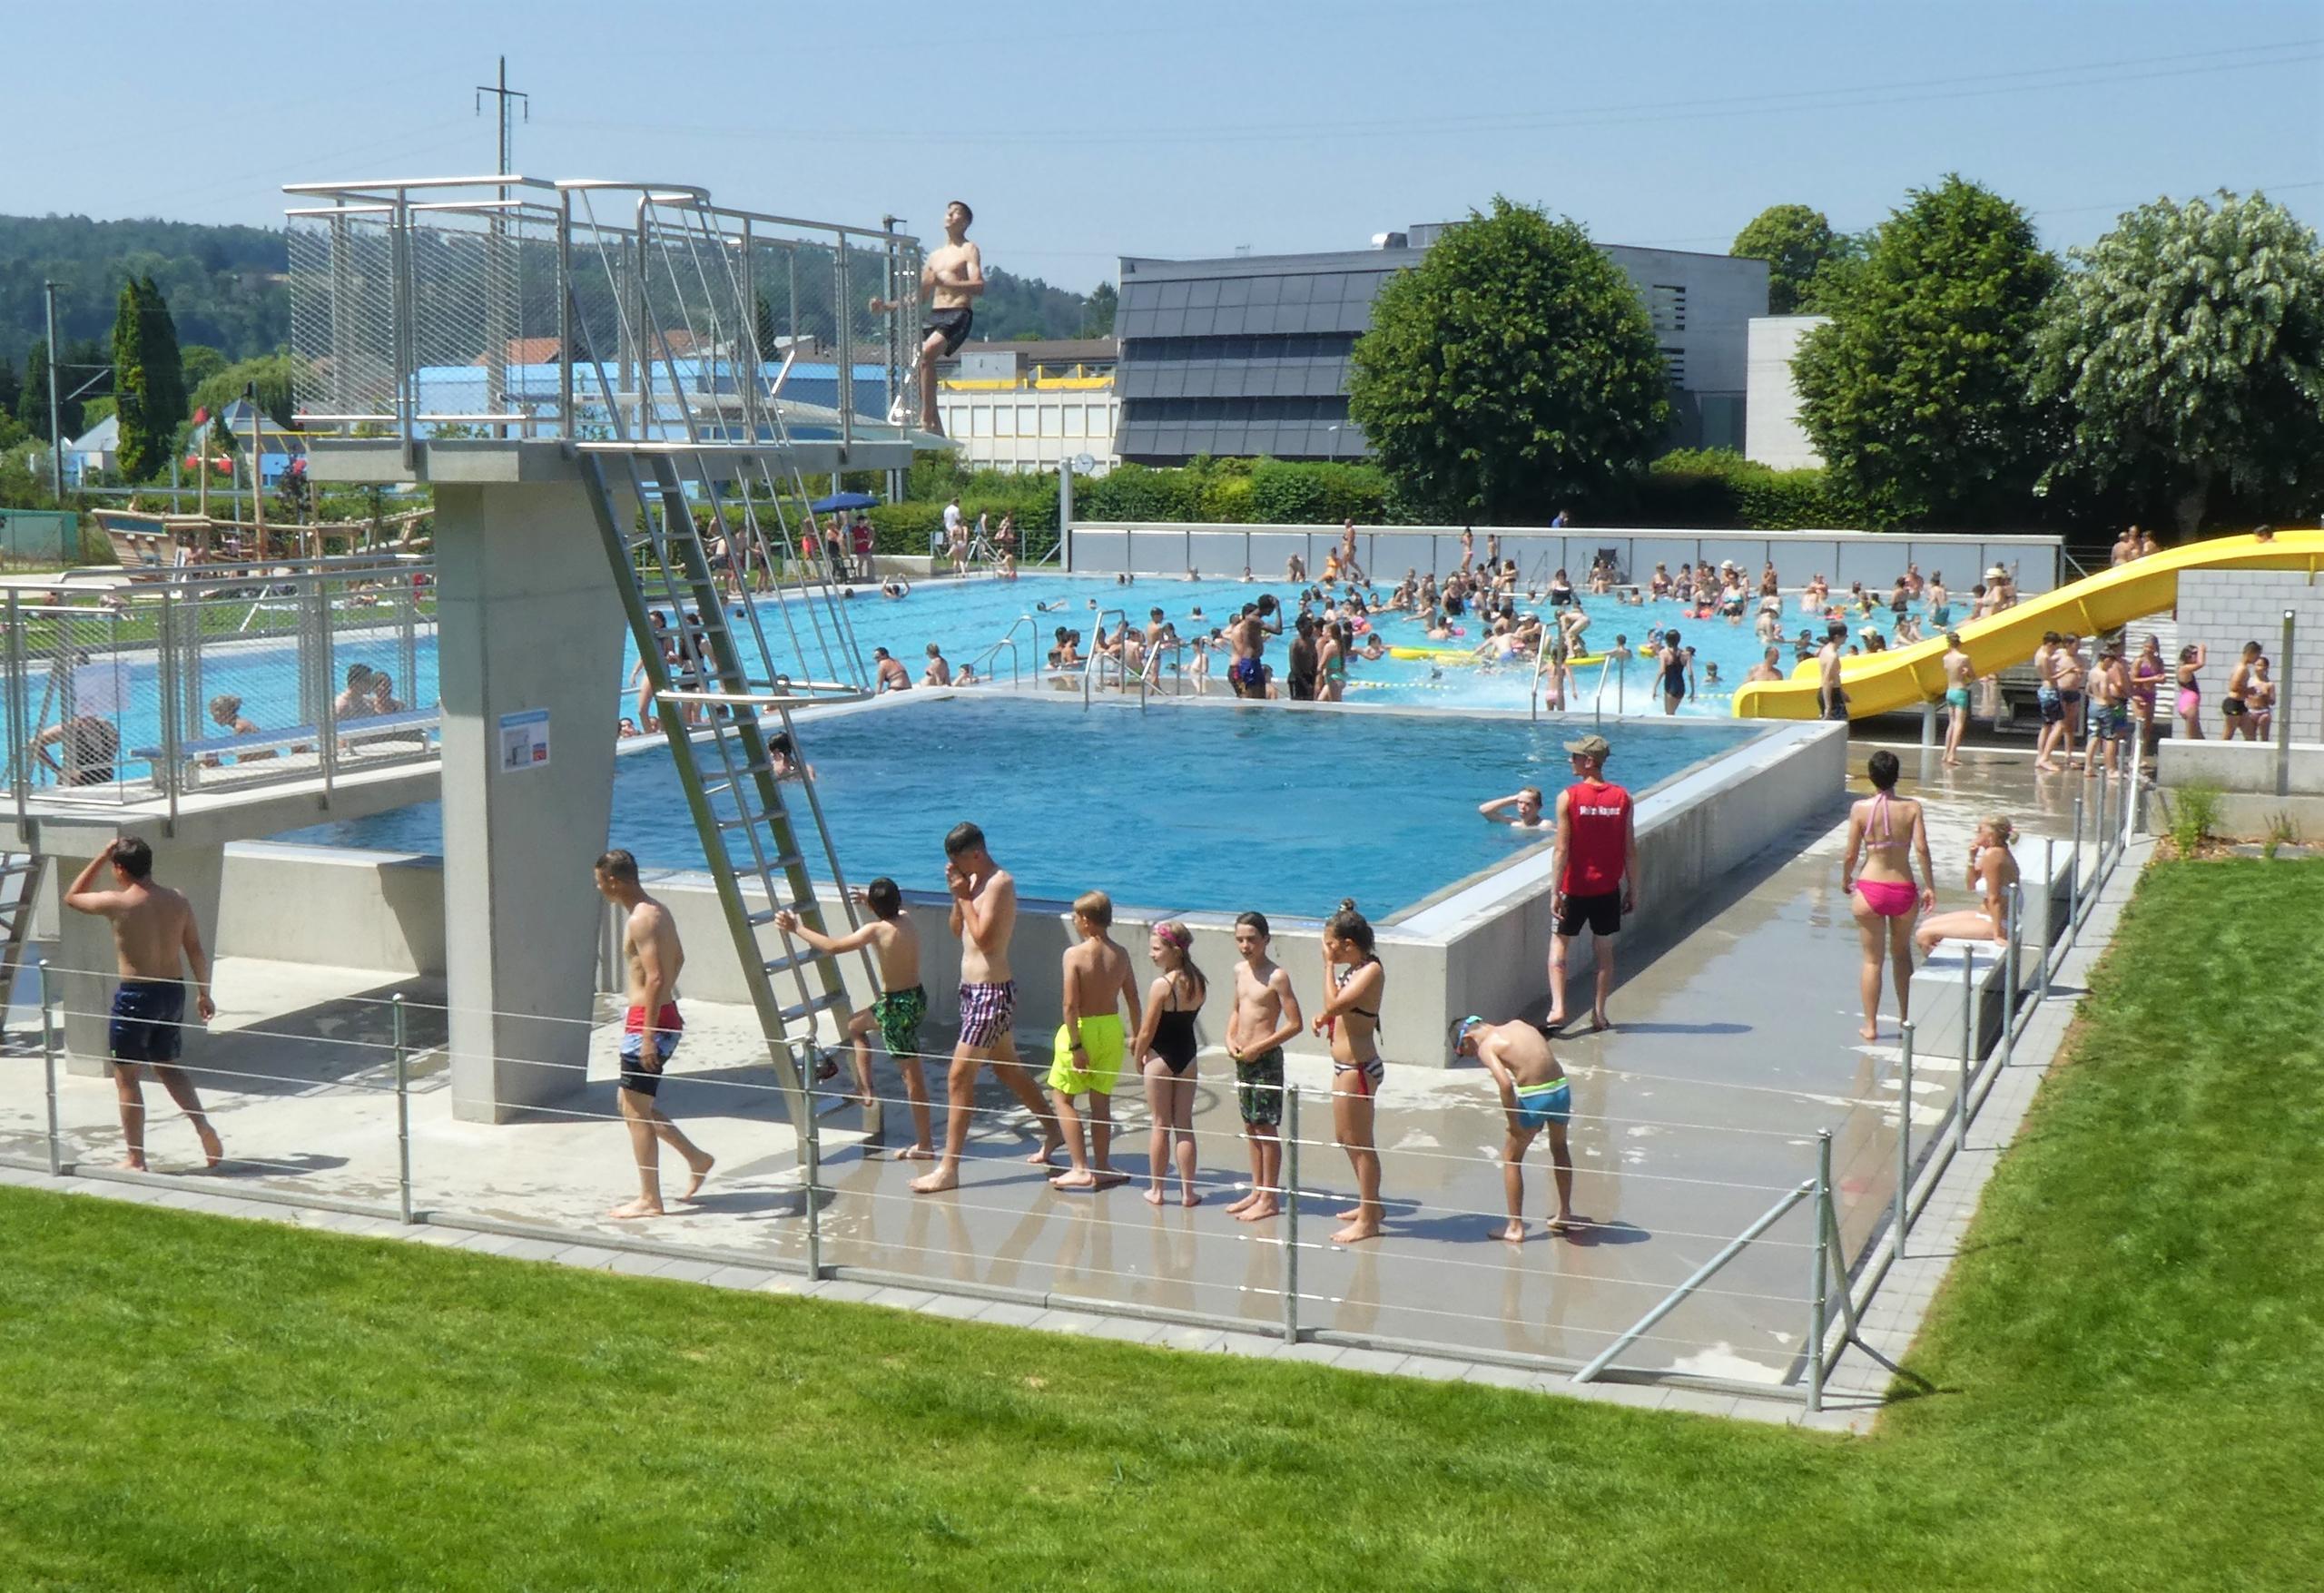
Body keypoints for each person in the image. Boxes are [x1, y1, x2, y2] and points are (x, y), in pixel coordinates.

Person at [910, 823, 1063, 1193]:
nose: (958, 869)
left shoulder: (999, 884)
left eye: (959, 862)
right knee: (1008, 1069)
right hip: (972, 990)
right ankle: (1055, 1130)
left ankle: (949, 1168)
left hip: (991, 993)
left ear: (975, 854)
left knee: (958, 1077)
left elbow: (987, 941)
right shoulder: (974, 883)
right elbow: (956, 930)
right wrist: (957, 895)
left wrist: (965, 895)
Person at [63, 839, 221, 1172]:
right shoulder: (177, 899)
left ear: (119, 869)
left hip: (136, 996)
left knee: (127, 1079)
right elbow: (195, 949)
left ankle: (136, 1157)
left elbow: (72, 896)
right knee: (167, 1066)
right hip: (172, 992)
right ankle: (202, 1126)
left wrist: (101, 855)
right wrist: (203, 993)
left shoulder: (119, 903)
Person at [774, 877, 934, 1159]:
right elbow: (896, 907)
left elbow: (833, 947)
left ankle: (925, 1144)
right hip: (915, 998)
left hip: (896, 1007)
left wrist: (796, 927)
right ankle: (864, 1087)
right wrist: (870, 901)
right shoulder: (907, 919)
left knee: (913, 1079)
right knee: (855, 1026)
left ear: (874, 907)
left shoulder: (876, 930)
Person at [593, 849, 714, 1218]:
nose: (598, 888)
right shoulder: (658, 911)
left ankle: (650, 1199)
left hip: (650, 1021)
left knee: (634, 1111)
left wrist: (647, 1034)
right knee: (631, 1104)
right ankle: (697, 1158)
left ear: (614, 880)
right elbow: (678, 960)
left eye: (600, 881)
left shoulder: (640, 921)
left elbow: (658, 975)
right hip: (659, 1015)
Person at [1840, 751, 1937, 1042]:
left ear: (1871, 776)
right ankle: (1906, 1019)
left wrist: (1846, 877)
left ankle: (1870, 1025)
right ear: (1897, 775)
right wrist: (1930, 885)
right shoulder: (1912, 808)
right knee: (1901, 954)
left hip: (1870, 886)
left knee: (1872, 961)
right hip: (1903, 888)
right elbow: (1921, 848)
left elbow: (1850, 853)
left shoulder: (1860, 808)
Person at [1452, 1015, 1576, 1240]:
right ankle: (1565, 1211)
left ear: (1468, 1038)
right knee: (1559, 1147)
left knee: (1511, 1157)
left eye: (1462, 1051)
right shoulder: (1519, 1024)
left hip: (1536, 1096)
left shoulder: (1487, 1046)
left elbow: (1506, 1085)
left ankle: (1515, 1227)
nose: (1469, 1056)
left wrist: (1514, 1122)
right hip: (1561, 1089)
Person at [1048, 890, 1140, 1191]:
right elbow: (1133, 999)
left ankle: (1079, 1167)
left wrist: (1075, 1045)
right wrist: (1137, 1036)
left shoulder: (1074, 955)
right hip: (1111, 1029)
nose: (1075, 921)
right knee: (1101, 1101)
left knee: (1062, 1097)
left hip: (1083, 1028)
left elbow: (1070, 1006)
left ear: (1086, 920)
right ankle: (1102, 1165)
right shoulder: (1121, 954)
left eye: (1076, 917)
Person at [1546, 734, 1637, 1033]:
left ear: (1588, 762)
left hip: (1574, 888)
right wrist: (1634, 888)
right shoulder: (1622, 798)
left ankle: (1559, 1007)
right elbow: (1629, 848)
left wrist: (1554, 891)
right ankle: (1599, 1013)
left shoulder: (1569, 797)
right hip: (1607, 890)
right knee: (1604, 951)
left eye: (1574, 757)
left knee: (1559, 946)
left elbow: (1562, 849)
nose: (1569, 761)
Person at [868, 199, 982, 435]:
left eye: (956, 213)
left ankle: (926, 419)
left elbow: (979, 286)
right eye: (948, 211)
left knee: (927, 354)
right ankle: (937, 425)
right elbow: (918, 296)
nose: (950, 215)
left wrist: (950, 282)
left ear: (965, 222)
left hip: (958, 312)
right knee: (923, 361)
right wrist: (887, 306)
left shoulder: (968, 250)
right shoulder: (935, 257)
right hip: (935, 313)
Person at [1314, 900, 1385, 1245]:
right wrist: (1325, 1019)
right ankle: (1369, 1204)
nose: (1327, 951)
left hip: (1358, 1067)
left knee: (1361, 1142)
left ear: (1349, 945)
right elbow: (1338, 1011)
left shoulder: (1371, 970)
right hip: (1344, 1064)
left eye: (1331, 945)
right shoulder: (1355, 968)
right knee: (1345, 1138)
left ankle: (1369, 1219)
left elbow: (1335, 1003)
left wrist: (1327, 966)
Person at [1224, 910, 1302, 1224]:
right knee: (1250, 1126)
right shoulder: (1239, 971)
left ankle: (1269, 1197)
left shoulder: (1276, 976)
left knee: (1266, 1128)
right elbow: (1236, 1009)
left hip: (1265, 1059)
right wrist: (1230, 1039)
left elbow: (1294, 1024)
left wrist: (1260, 1047)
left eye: (1252, 940)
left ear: (1266, 940)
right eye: (1240, 939)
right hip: (1244, 1058)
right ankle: (1257, 1189)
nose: (1245, 945)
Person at [1130, 921, 1207, 1207]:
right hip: (1188, 1055)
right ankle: (1189, 1192)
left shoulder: (1162, 986)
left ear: (1174, 951)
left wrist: (1138, 1056)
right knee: (1184, 1124)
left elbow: (1148, 1030)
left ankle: (1157, 1190)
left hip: (1161, 1057)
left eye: (1156, 949)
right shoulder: (1198, 980)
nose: (1151, 954)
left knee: (1160, 1124)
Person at [1915, 816, 2021, 951]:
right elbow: (1971, 886)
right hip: (1987, 916)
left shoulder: (1994, 855)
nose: (1976, 833)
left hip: (1998, 923)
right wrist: (1972, 858)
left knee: (1924, 935)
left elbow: (1995, 899)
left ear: (1991, 834)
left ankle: (1947, 968)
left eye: (1979, 830)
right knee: (1926, 924)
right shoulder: (1993, 853)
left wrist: (1998, 935)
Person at [33, 714, 121, 787]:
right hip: (76, 782)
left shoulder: (106, 726)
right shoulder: (69, 728)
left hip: (103, 778)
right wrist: (57, 770)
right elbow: (33, 744)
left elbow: (113, 746)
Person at [1227, 595, 1281, 700]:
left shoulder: (1252, 624)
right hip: (1244, 665)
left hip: (1254, 662)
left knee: (1260, 698)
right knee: (1248, 697)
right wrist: (1279, 610)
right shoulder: (1251, 621)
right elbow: (1278, 630)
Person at [1938, 633, 1974, 767]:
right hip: (1960, 691)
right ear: (1959, 643)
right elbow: (1972, 676)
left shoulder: (1945, 658)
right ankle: (1952, 755)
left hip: (1950, 691)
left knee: (1951, 723)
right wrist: (1966, 673)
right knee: (1959, 724)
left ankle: (1946, 753)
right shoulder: (1964, 658)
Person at [2223, 640, 2262, 741]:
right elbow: (2233, 687)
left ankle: (2253, 755)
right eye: (2257, 656)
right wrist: (2249, 691)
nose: (2257, 659)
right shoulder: (2241, 669)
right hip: (2234, 704)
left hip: (2240, 704)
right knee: (2228, 734)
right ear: (2251, 653)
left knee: (2250, 734)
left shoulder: (2242, 667)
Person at [1658, 627, 1695, 715]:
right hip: (1681, 687)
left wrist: (1654, 688)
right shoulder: (1686, 654)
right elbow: (1690, 674)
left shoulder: (1663, 653)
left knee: (1669, 714)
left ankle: (1676, 728)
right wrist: (1693, 690)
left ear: (1667, 640)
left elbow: (1662, 671)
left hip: (1670, 686)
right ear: (1679, 640)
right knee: (1672, 713)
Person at [1817, 622, 1850, 721]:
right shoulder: (1832, 656)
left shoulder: (1824, 650)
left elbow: (1833, 678)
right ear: (1837, 637)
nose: (1846, 638)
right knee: (1839, 728)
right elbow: (1828, 680)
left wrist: (1842, 693)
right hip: (1831, 695)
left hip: (1825, 693)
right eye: (1845, 636)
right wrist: (1828, 707)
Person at [2174, 644, 2207, 740]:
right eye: (2195, 654)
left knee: (2199, 737)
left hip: (2190, 704)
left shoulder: (2186, 669)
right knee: (2190, 738)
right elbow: (2200, 664)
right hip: (2189, 705)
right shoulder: (2184, 669)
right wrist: (2202, 650)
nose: (2197, 656)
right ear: (2188, 656)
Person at [1478, 786, 1548, 828]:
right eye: (1520, 802)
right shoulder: (1513, 823)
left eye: (1528, 804)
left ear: (1538, 807)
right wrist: (1512, 799)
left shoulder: (1544, 825)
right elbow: (1483, 810)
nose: (1523, 807)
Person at [2250, 654, 2276, 742]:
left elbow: (2273, 701)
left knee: (2264, 738)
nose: (2257, 667)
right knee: (2250, 738)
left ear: (2265, 668)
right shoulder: (2250, 681)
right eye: (2256, 665)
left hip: (2263, 711)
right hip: (2251, 710)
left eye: (2260, 665)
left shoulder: (2269, 684)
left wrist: (2266, 696)